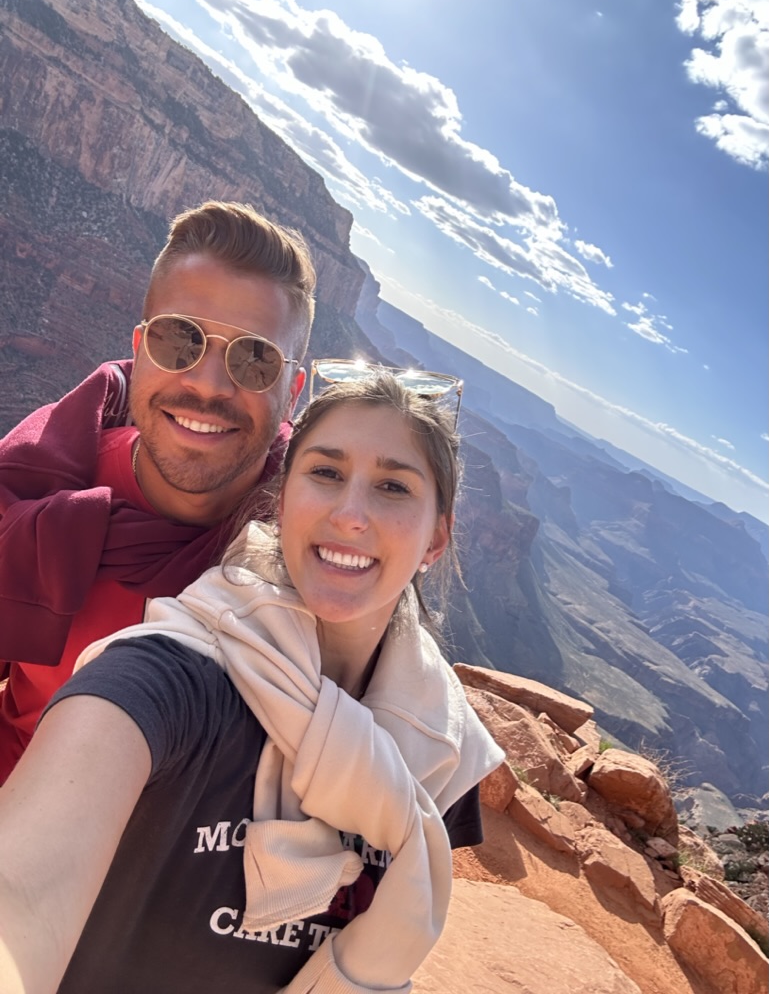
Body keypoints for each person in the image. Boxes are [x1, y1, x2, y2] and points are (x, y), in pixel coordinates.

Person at [0, 369, 504, 994]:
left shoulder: (443, 755)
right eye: (325, 472)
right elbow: (21, 887)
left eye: (393, 486)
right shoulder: (167, 675)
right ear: (284, 496)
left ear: (437, 537)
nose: (350, 514)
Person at [0, 199, 316, 782]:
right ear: (140, 345)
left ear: (292, 390)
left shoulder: (307, 544)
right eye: (180, 341)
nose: (207, 384)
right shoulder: (36, 499)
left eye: (255, 359)